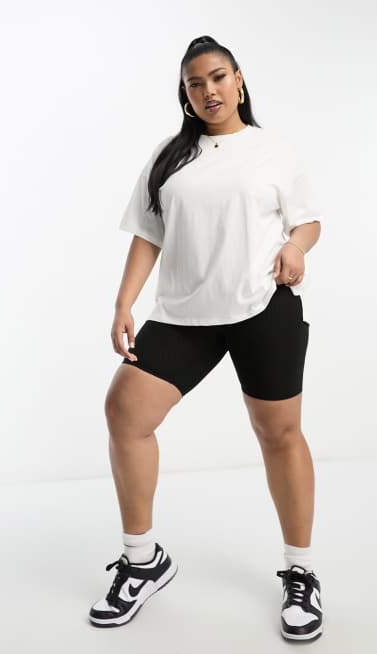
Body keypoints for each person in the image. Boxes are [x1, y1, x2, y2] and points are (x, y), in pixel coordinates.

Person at [88, 35, 324, 642]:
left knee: (280, 434)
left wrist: (295, 247)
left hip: (261, 305)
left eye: (218, 77)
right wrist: (124, 302)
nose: (208, 90)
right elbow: (148, 233)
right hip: (185, 312)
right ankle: (142, 560)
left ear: (238, 80)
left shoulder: (272, 150)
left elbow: (307, 220)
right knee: (125, 412)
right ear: (185, 94)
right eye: (195, 84)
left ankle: (301, 572)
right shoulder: (170, 157)